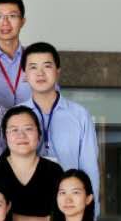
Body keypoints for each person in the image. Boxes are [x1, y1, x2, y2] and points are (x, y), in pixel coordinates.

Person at [17, 45, 100, 192]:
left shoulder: (79, 115)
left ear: (57, 72)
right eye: (33, 67)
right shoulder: (15, 115)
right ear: (24, 74)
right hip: (27, 198)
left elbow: (90, 168)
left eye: (47, 66)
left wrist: (91, 205)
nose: (40, 73)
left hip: (69, 199)